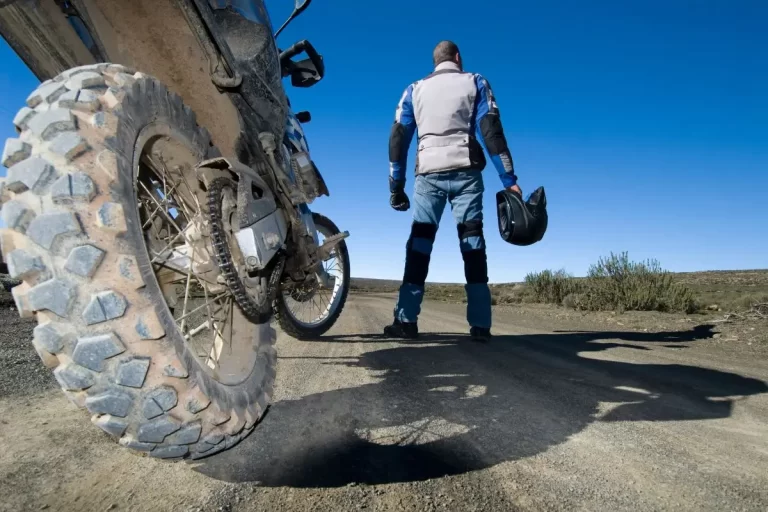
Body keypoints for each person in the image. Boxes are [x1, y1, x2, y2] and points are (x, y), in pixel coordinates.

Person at [384, 40, 522, 342]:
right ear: (457, 57)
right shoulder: (475, 82)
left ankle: (406, 321)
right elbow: (491, 131)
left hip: (428, 174)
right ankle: (481, 325)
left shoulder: (414, 89)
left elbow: (398, 137)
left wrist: (396, 184)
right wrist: (508, 179)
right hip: (466, 172)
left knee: (419, 244)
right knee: (472, 241)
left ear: (435, 61)